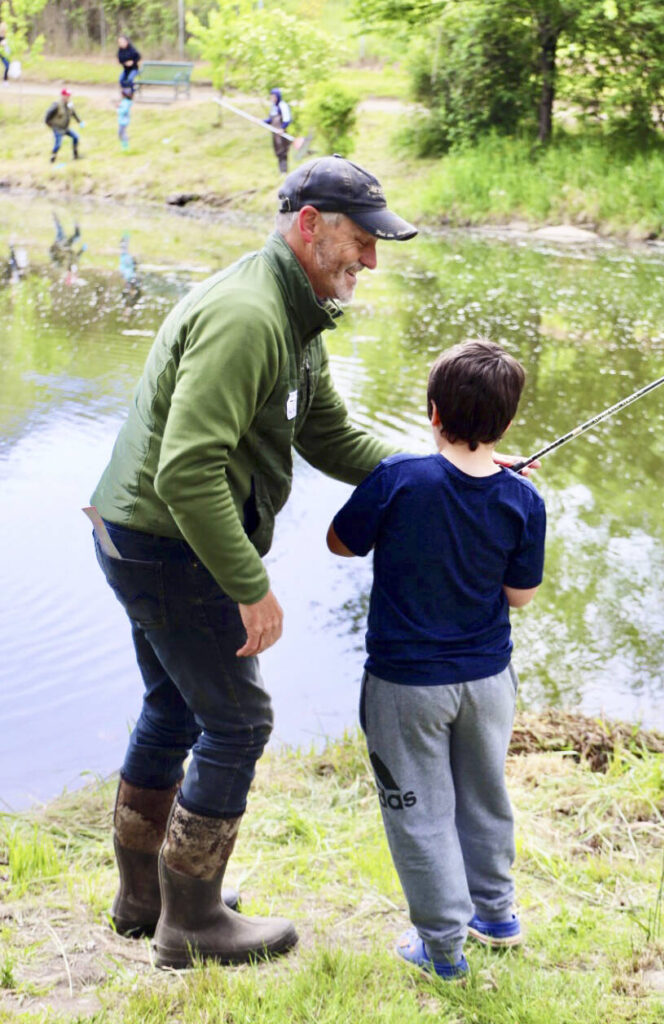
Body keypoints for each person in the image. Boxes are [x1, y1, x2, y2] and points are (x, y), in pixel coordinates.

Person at [88, 155, 418, 970]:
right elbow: (187, 470)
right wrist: (250, 588)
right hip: (166, 543)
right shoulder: (248, 316)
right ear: (309, 225)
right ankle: (191, 923)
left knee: (173, 708)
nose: (370, 259)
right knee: (239, 723)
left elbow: (328, 434)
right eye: (359, 240)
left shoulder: (294, 310)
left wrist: (435, 473)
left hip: (143, 535)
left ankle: (144, 899)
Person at [326, 339, 546, 979]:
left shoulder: (398, 479)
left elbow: (341, 542)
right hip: (488, 681)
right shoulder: (524, 499)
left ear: (432, 412)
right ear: (504, 424)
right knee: (485, 796)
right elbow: (521, 597)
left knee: (418, 814)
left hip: (407, 686)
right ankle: (496, 915)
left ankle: (444, 950)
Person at [45, 88, 83, 163]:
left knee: (76, 137)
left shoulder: (69, 105)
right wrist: (49, 124)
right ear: (62, 96)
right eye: (66, 96)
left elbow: (73, 113)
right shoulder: (56, 105)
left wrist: (79, 121)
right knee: (58, 144)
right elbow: (48, 114)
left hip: (66, 128)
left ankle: (76, 155)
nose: (68, 97)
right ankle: (53, 158)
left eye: (69, 96)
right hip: (58, 128)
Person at [264, 87, 293, 174]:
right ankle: (281, 171)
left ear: (277, 96)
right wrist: (261, 121)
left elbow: (287, 119)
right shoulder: (273, 107)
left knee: (283, 151)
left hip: (281, 133)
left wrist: (282, 128)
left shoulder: (282, 105)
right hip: (275, 133)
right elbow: (270, 120)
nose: (272, 98)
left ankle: (284, 171)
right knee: (278, 151)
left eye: (273, 96)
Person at [117, 86, 132, 151]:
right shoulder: (125, 101)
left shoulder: (126, 102)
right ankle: (124, 143)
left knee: (122, 133)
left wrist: (118, 108)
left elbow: (123, 110)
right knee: (120, 133)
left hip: (124, 121)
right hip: (122, 120)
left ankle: (125, 146)